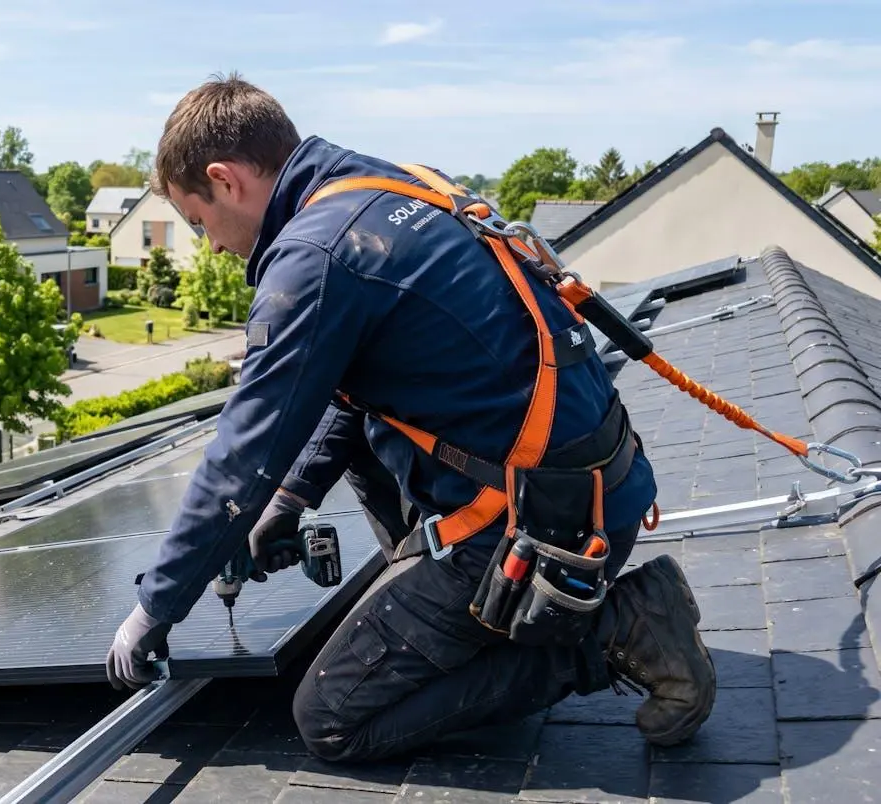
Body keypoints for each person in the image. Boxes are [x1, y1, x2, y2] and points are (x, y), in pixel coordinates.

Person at [103, 73, 716, 762]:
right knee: (367, 438)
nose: (209, 244)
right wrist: (292, 498)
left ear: (225, 179)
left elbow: (240, 455)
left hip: (543, 537)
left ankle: (614, 634)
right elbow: (352, 395)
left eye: (197, 219)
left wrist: (156, 608)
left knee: (332, 717)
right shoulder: (398, 188)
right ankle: (456, 619)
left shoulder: (311, 258)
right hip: (601, 487)